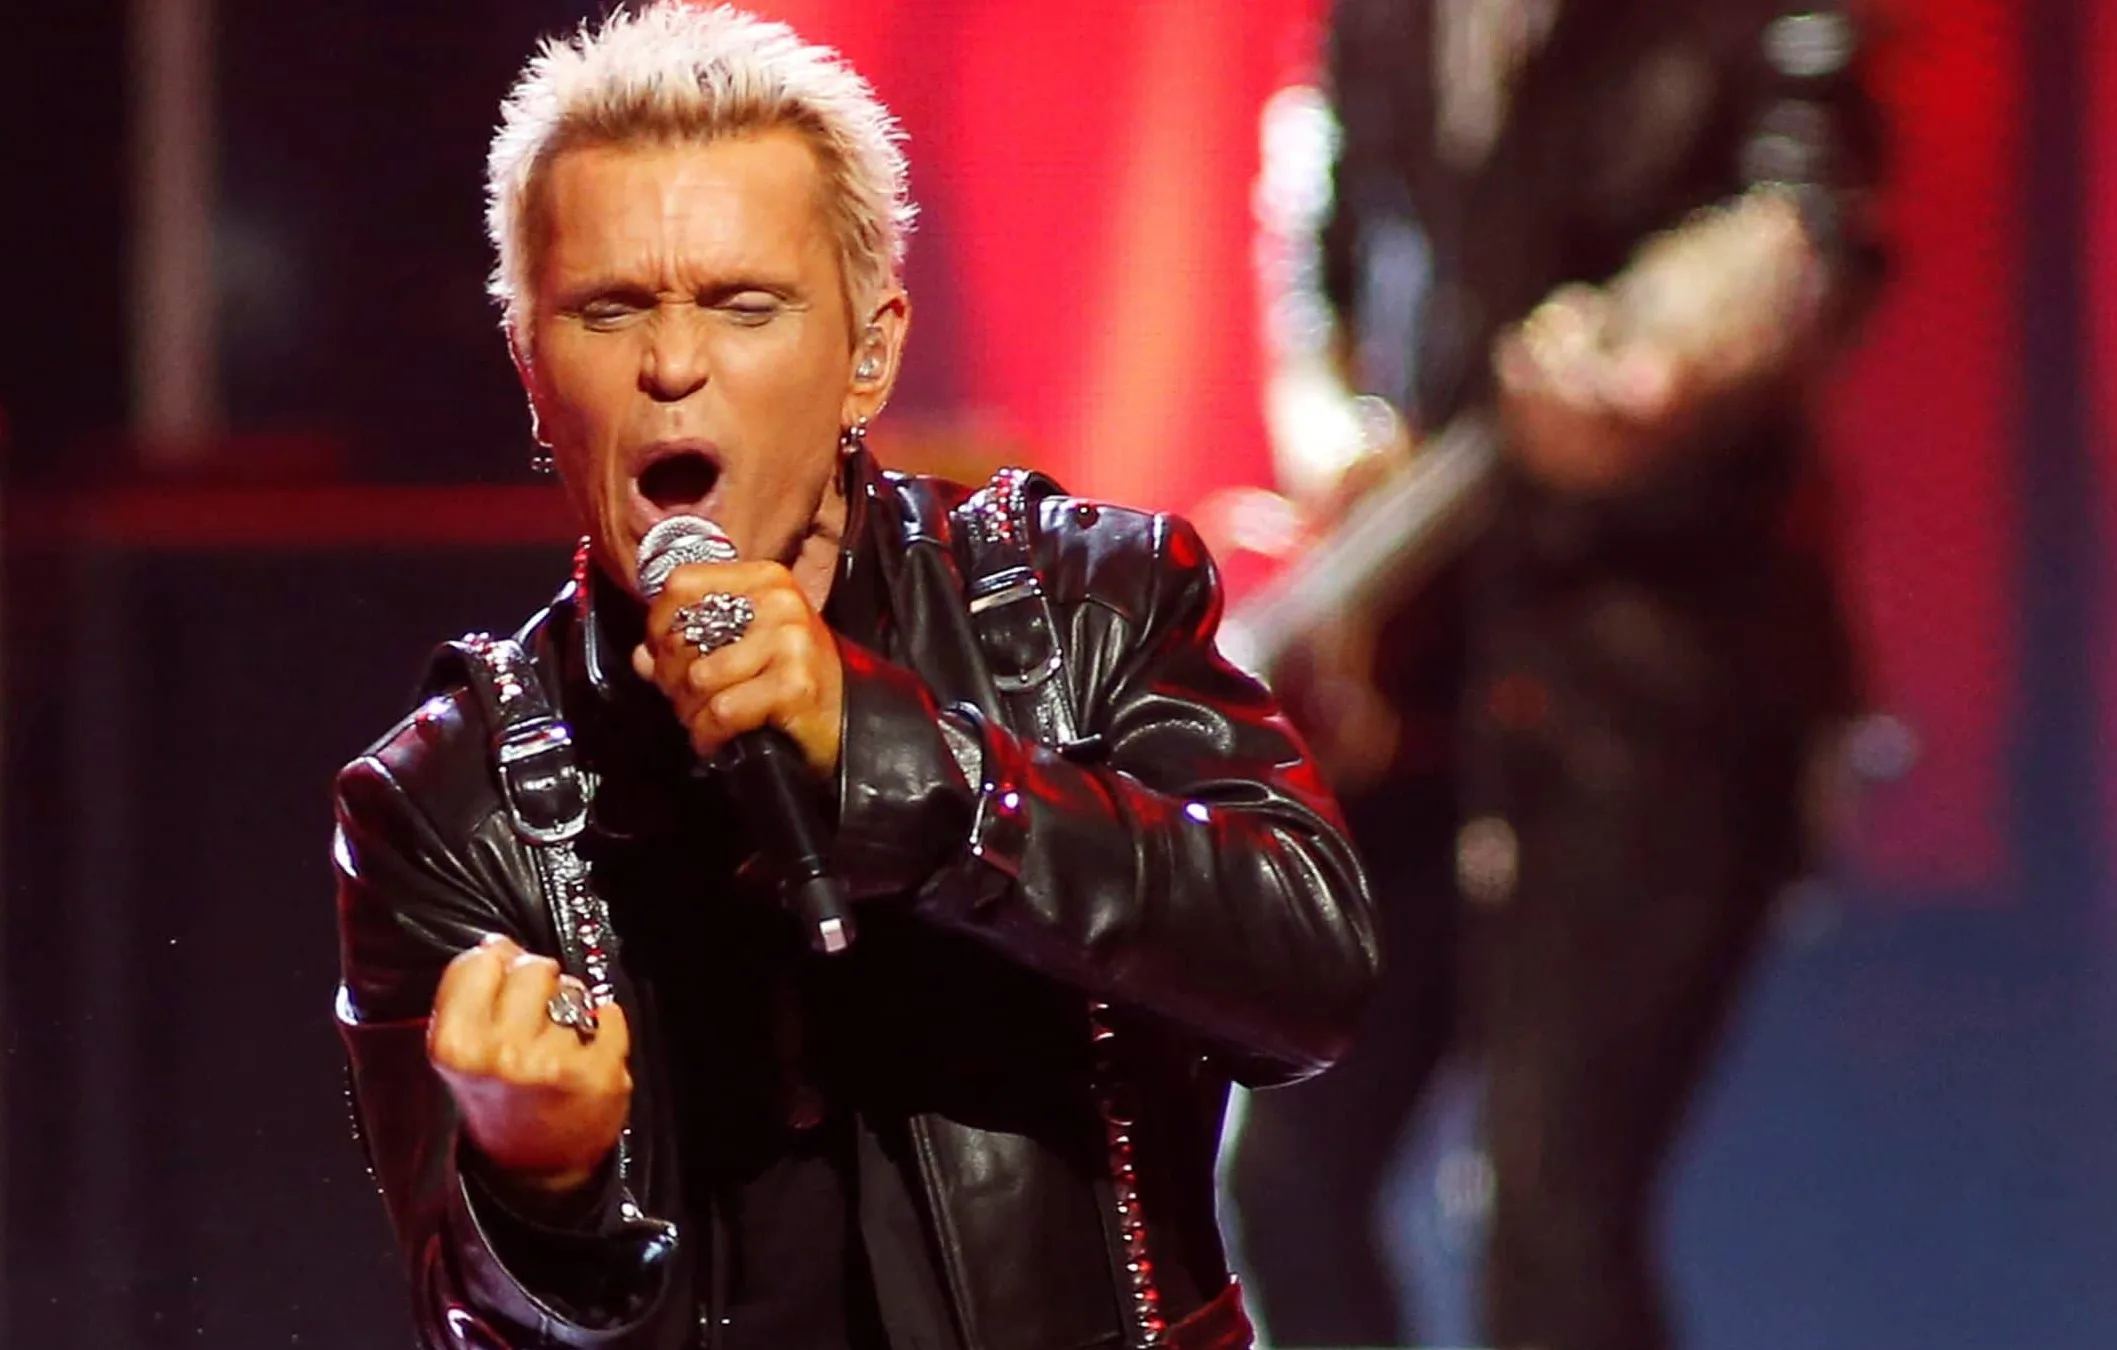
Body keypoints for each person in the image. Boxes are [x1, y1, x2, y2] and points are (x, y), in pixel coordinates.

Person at [330, 6, 1378, 1349]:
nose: (672, 364)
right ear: (533, 372)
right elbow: (460, 1310)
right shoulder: (451, 800)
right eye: (608, 310)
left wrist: (903, 762)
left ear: (869, 352)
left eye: (742, 303)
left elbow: (1312, 968)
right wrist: (540, 1177)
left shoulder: (1079, 611)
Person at [1227, 1, 1883, 1348]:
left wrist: (1681, 359)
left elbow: (1812, 213)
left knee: (1544, 1216)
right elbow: (1324, 240)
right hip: (1419, 676)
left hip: (1659, 686)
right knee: (1283, 1177)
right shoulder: (1385, 22)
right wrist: (1327, 422)